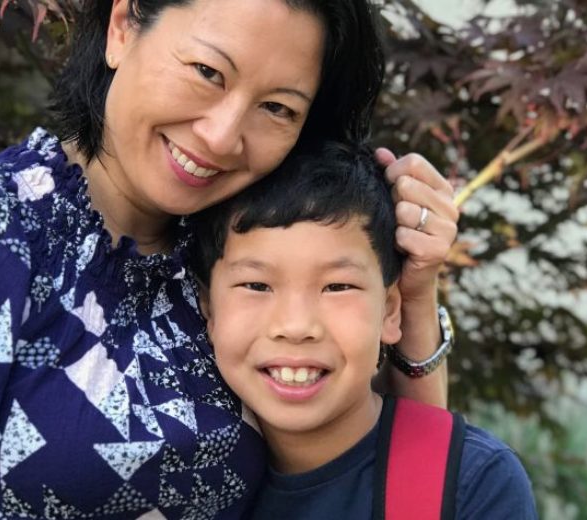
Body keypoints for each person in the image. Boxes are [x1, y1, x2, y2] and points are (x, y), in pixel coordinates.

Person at [0, 0, 458, 518]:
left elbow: (400, 477)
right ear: (123, 27)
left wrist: (416, 287)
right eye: (208, 72)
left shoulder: (238, 264)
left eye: (277, 108)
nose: (222, 135)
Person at [191, 142, 538, 519]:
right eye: (257, 285)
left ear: (390, 311)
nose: (296, 326)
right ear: (208, 307)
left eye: (337, 286)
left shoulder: (475, 484)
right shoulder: (173, 483)